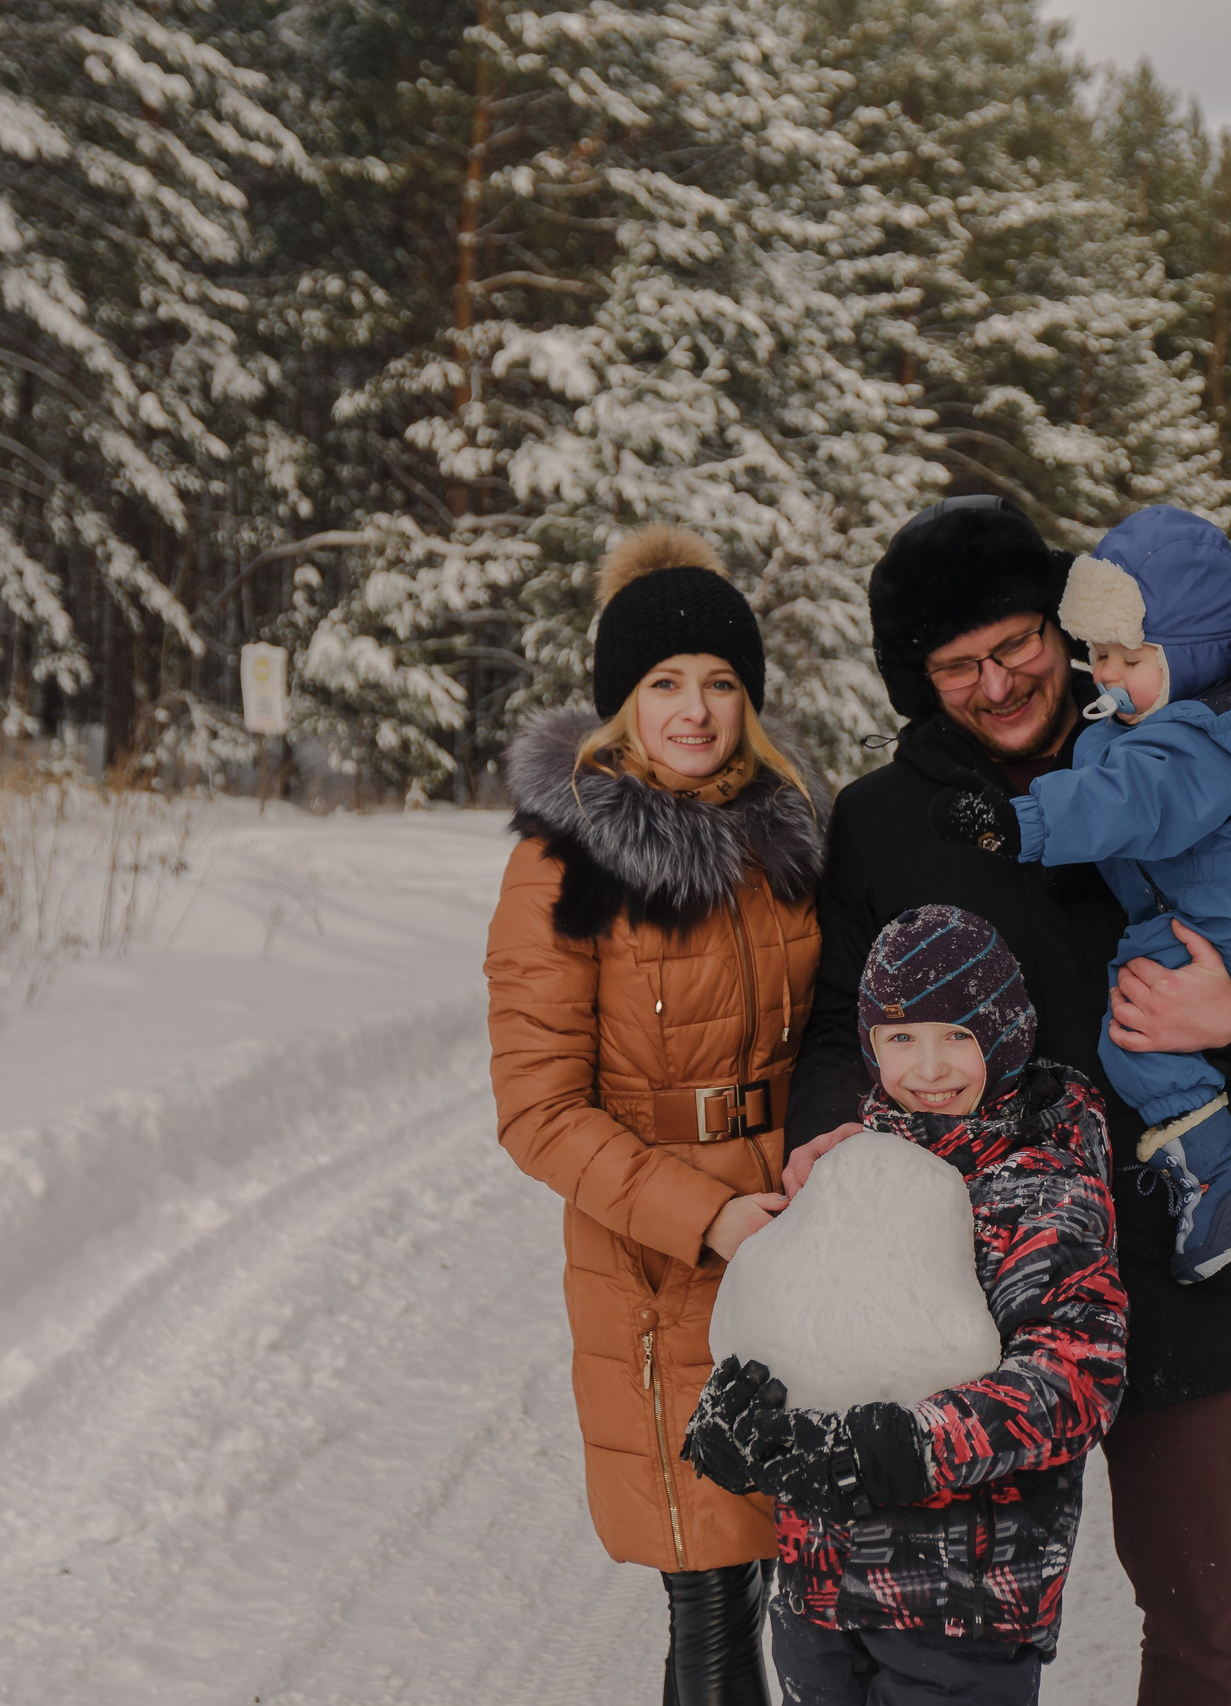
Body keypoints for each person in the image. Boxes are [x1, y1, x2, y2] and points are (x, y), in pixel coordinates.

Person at [783, 496, 1231, 1706]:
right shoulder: (883, 821)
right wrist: (828, 1135)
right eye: (958, 664)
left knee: (1204, 1593)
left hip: (1167, 1241)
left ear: (1062, 626)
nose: (997, 682)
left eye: (1017, 645)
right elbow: (838, 1017)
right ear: (916, 676)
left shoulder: (1173, 750)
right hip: (966, 1273)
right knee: (955, 1629)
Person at [482, 524, 827, 1706]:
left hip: (797, 1234)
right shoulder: (566, 862)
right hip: (664, 1261)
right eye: (665, 684)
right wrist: (711, 1215)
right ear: (622, 701)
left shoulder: (784, 843)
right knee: (711, 1585)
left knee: (792, 1567)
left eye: (722, 684)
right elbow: (538, 1111)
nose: (696, 711)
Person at [682, 904, 1127, 1706]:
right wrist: (734, 1417)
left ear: (1006, 1033)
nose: (929, 1067)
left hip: (961, 1610)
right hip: (817, 1595)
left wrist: (903, 1446)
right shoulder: (849, 1167)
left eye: (959, 1035)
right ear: (870, 1045)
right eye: (901, 1038)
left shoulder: (1038, 1183)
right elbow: (794, 1326)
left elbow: (1076, 1377)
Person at [930, 505, 1231, 1283]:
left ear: (1190, 654)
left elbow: (1124, 802)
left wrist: (1019, 824)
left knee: (1134, 1032)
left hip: (1216, 919)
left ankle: (1222, 1176)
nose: (1105, 676)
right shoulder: (1226, 720)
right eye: (1097, 654)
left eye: (1125, 658)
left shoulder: (1185, 741)